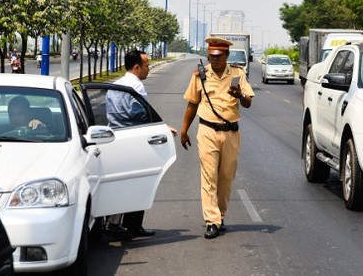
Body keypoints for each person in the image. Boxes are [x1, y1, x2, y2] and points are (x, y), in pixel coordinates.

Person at [180, 36, 254, 239]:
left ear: (227, 55)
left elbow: (248, 103)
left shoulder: (238, 74)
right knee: (209, 176)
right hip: (207, 131)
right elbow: (192, 105)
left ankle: (220, 216)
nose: (215, 60)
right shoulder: (200, 76)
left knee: (226, 177)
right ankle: (211, 220)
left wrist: (239, 95)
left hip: (230, 132)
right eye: (211, 56)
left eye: (219, 56)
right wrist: (184, 130)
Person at [104, 50, 176, 240]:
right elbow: (140, 115)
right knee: (139, 183)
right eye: (146, 66)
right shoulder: (136, 87)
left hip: (113, 139)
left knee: (119, 184)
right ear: (136, 67)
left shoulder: (115, 85)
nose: (148, 69)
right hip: (133, 140)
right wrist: (161, 128)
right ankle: (130, 226)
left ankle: (119, 223)